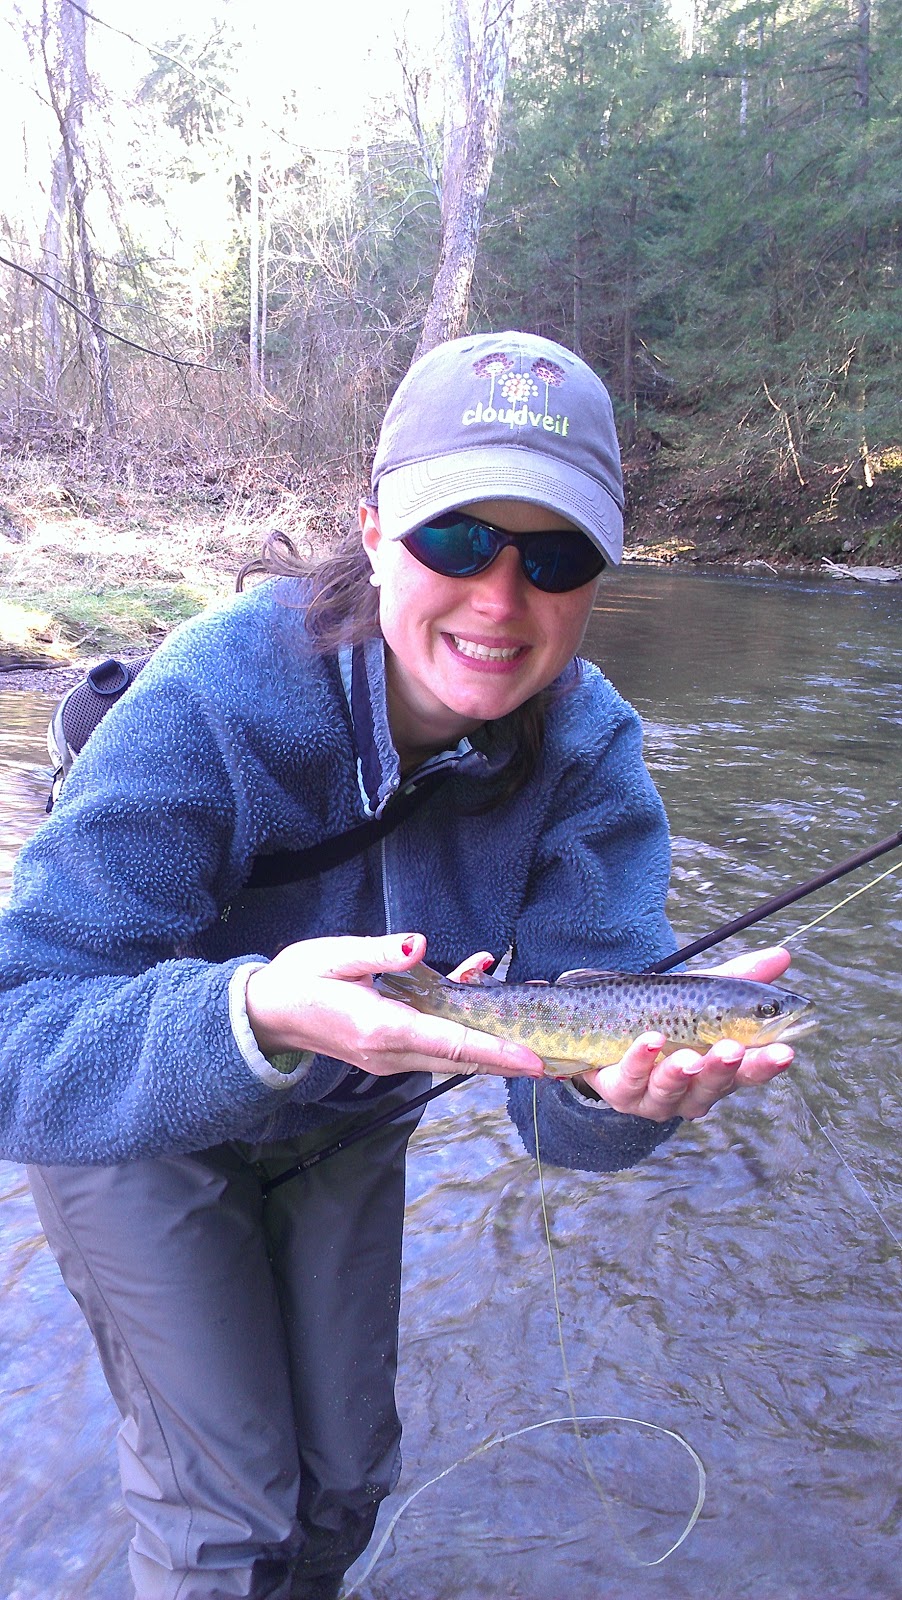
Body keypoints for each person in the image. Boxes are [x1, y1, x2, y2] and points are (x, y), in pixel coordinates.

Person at [0, 331, 795, 1600]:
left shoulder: (588, 750)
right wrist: (253, 1012)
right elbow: (18, 1033)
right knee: (227, 1511)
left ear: (597, 580)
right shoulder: (217, 694)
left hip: (351, 1109)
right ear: (373, 531)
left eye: (553, 556)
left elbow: (560, 1115)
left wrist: (618, 1098)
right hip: (130, 1101)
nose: (499, 598)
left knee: (344, 1480)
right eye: (456, 539)